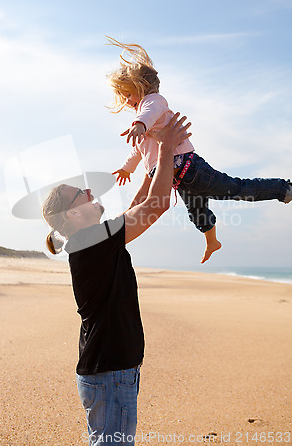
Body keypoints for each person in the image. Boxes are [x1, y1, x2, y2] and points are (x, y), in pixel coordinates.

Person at [42, 114, 192, 446]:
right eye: (81, 192)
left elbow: (140, 204)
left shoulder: (91, 240)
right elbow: (158, 204)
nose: (90, 190)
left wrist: (153, 164)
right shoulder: (91, 241)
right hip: (109, 371)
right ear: (72, 214)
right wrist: (166, 148)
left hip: (108, 369)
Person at [107, 37, 292, 263]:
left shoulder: (153, 102)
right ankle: (212, 242)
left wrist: (139, 124)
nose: (126, 101)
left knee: (237, 188)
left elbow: (149, 113)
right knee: (197, 214)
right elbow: (138, 150)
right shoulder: (144, 122)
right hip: (179, 179)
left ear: (141, 88)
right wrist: (127, 168)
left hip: (190, 169)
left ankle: (284, 189)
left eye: (128, 94)